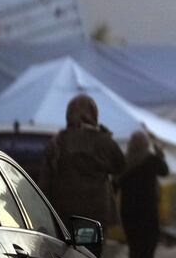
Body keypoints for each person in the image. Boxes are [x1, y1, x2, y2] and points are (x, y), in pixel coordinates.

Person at [41, 94, 126, 232]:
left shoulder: (58, 141)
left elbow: (45, 180)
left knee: (66, 252)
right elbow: (120, 165)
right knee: (92, 252)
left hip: (64, 212)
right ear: (94, 114)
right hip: (96, 213)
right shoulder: (103, 140)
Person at [118, 130, 169, 258]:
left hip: (128, 210)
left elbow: (115, 184)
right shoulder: (151, 160)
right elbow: (164, 171)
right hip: (148, 209)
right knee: (149, 243)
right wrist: (160, 153)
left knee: (134, 244)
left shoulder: (124, 162)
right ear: (146, 144)